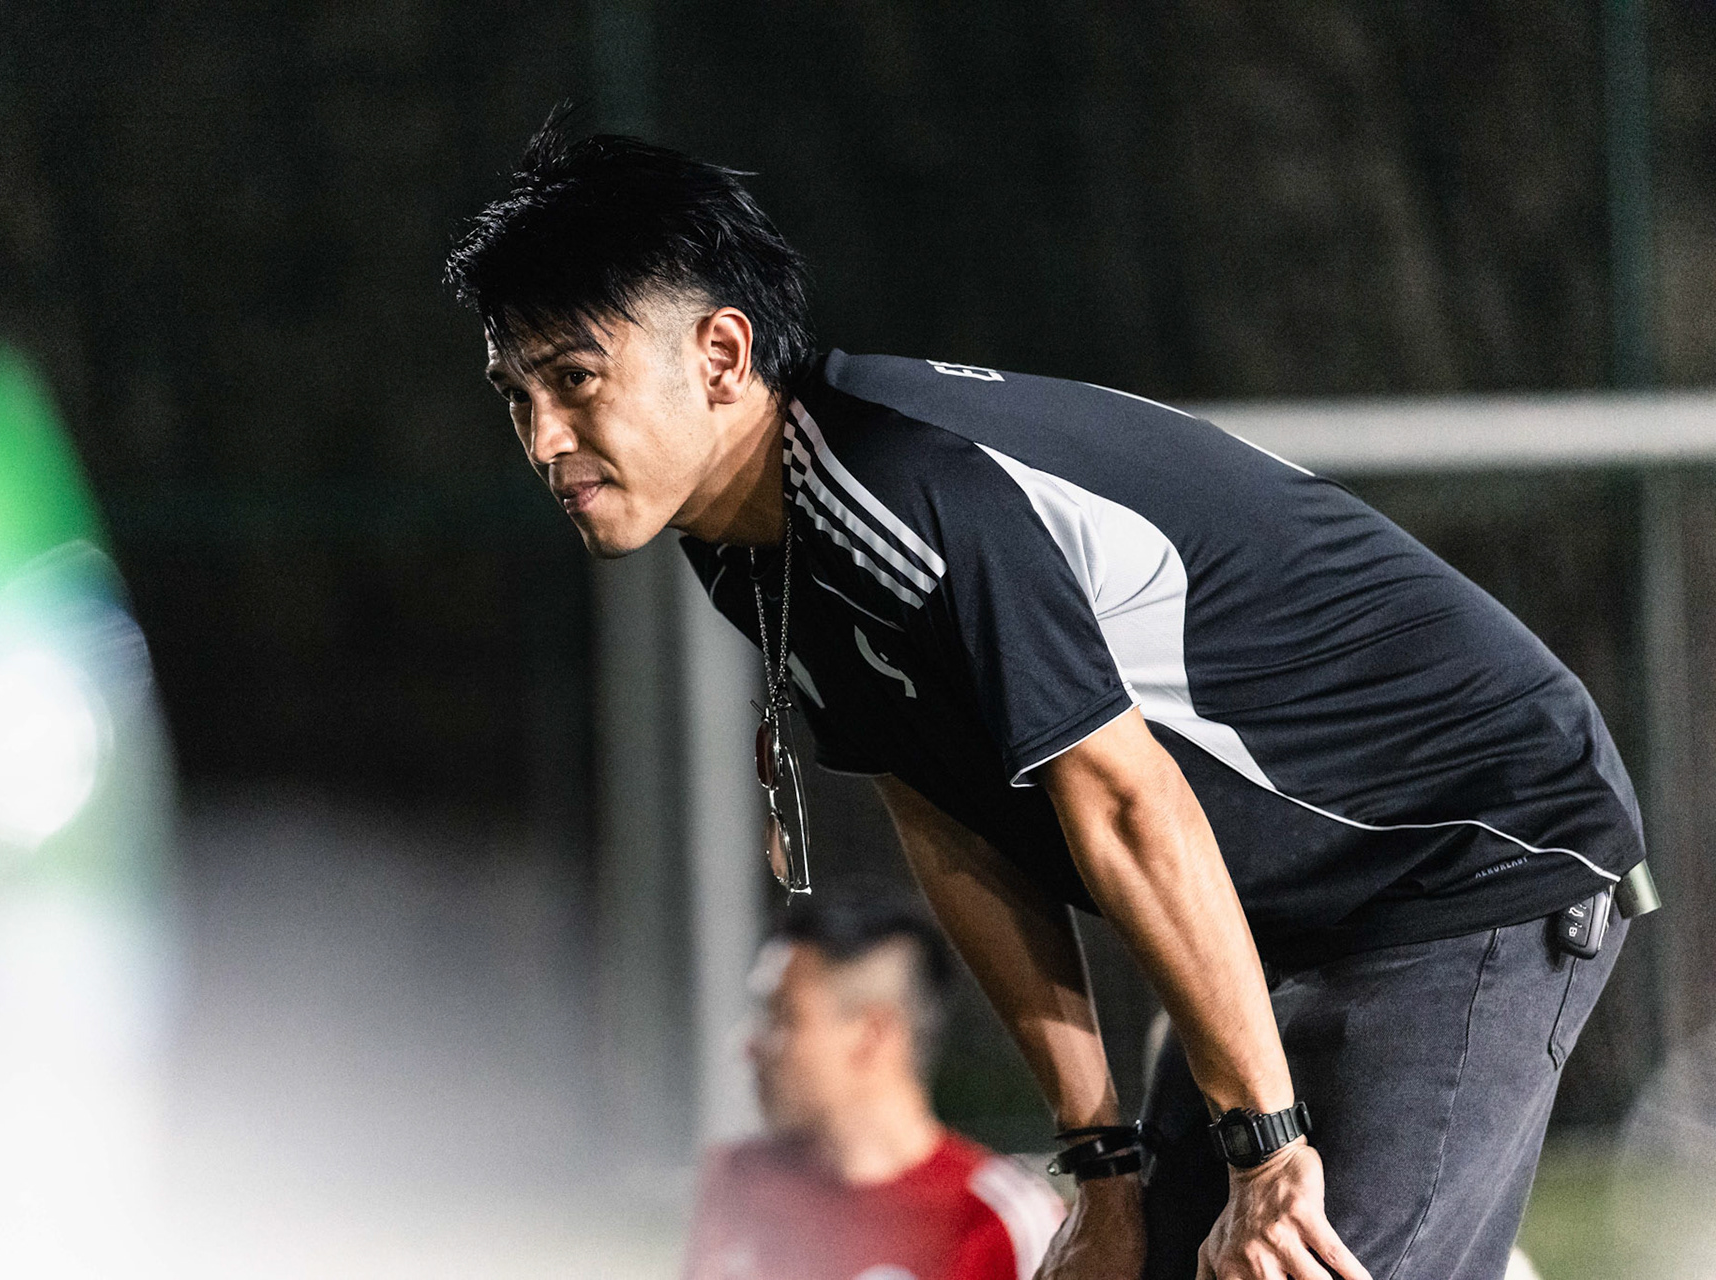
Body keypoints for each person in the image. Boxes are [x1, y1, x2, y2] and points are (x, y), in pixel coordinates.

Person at [445, 117, 1652, 1280]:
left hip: (1468, 853)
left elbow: (1127, 805)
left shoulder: (901, 492)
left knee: (1299, 1257)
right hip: (1283, 907)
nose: (544, 436)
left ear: (719, 355)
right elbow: (952, 822)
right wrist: (1104, 1166)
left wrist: (1272, 1150)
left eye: (574, 378)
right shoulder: (745, 536)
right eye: (515, 394)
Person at [683, 886, 1067, 1280]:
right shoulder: (738, 1180)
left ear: (871, 1035)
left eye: (782, 1017)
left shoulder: (1004, 1224)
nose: (748, 1045)